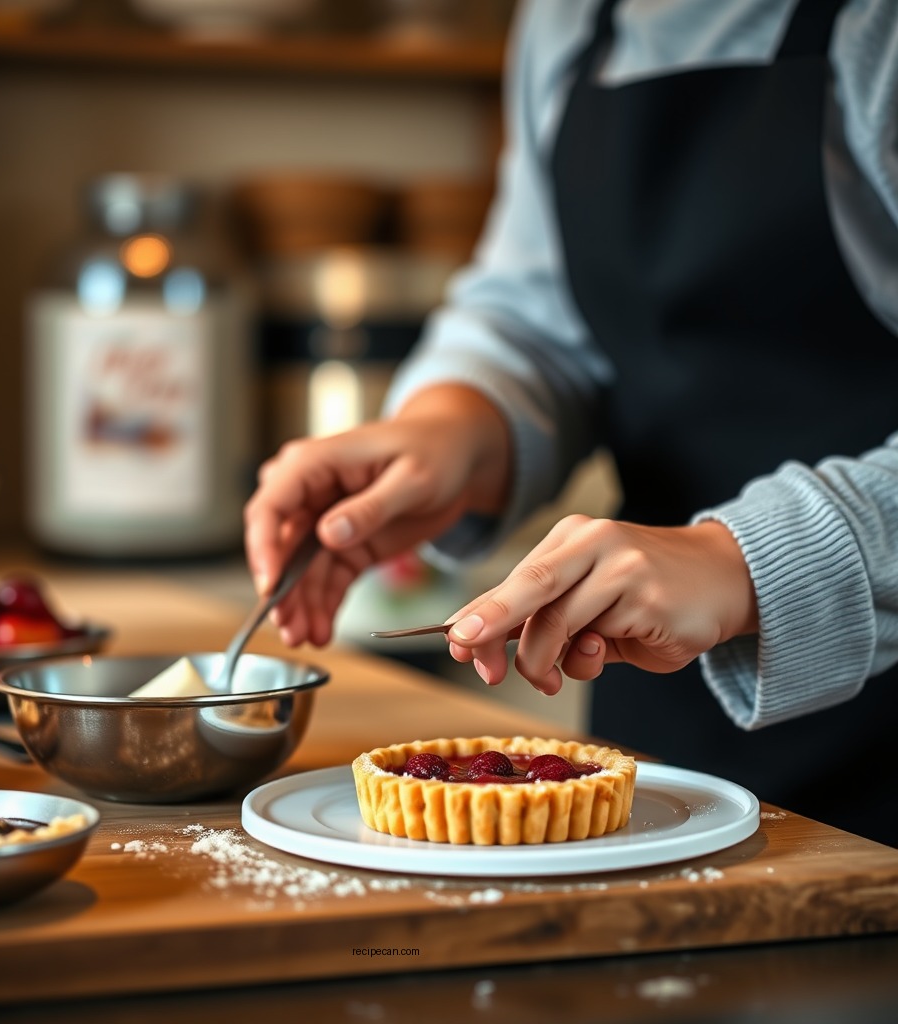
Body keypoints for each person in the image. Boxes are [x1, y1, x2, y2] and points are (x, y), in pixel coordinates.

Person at [244, 0, 898, 848]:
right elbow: (537, 313)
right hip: (654, 713)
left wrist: (741, 563)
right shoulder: (565, 19)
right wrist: (453, 426)